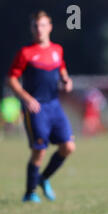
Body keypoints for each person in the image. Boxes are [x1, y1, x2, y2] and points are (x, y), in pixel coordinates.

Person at [7, 11, 75, 203]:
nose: (39, 29)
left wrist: (66, 80)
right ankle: (30, 193)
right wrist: (27, 99)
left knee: (68, 146)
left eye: (43, 25)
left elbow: (61, 68)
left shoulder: (57, 49)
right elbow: (11, 79)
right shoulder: (25, 53)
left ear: (50, 27)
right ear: (32, 29)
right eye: (36, 26)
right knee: (39, 150)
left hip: (54, 106)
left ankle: (43, 178)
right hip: (35, 108)